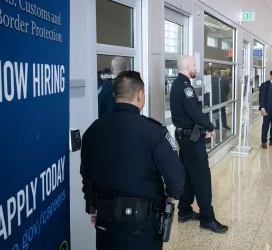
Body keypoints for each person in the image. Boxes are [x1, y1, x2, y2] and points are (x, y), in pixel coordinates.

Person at [80, 70, 185, 250]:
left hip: (106, 221)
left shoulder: (94, 129)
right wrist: (170, 198)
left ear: (115, 96)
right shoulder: (154, 132)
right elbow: (176, 178)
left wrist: (94, 206)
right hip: (142, 225)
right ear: (140, 95)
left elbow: (87, 175)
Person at [170, 55, 228, 233]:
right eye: (194, 64)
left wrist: (202, 128)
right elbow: (194, 111)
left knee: (188, 173)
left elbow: (190, 113)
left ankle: (185, 210)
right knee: (202, 176)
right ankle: (207, 218)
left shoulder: (178, 83)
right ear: (187, 66)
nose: (196, 67)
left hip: (187, 136)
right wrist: (210, 126)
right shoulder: (185, 86)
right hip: (190, 139)